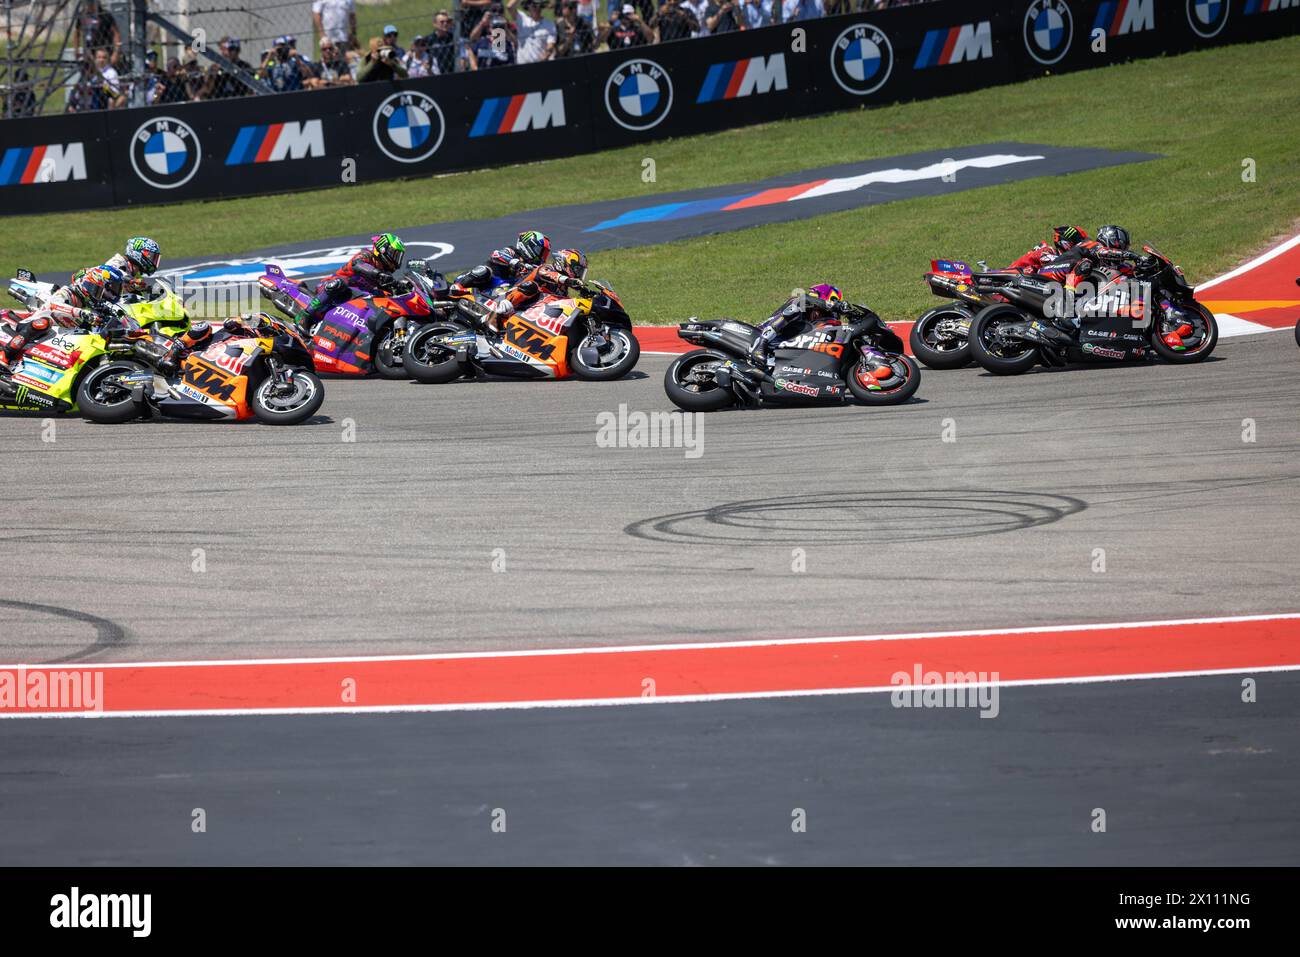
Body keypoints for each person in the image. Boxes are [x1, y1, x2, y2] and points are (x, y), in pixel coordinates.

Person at [1, 266, 125, 376]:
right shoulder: (66, 293)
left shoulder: (83, 309)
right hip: (30, 329)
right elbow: (55, 306)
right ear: (88, 286)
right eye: (99, 292)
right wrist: (81, 313)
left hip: (48, 340)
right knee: (44, 323)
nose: (101, 298)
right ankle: (5, 356)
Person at [292, 233, 408, 329]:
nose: (396, 260)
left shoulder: (385, 274)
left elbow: (389, 292)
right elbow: (357, 264)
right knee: (339, 284)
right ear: (383, 249)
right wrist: (378, 274)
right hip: (329, 288)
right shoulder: (367, 255)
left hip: (352, 299)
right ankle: (304, 316)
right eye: (394, 254)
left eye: (398, 257)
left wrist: (401, 287)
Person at [747, 283, 847, 366]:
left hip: (780, 348)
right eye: (825, 313)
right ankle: (760, 345)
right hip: (758, 333)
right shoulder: (801, 304)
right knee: (795, 308)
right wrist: (832, 305)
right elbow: (803, 298)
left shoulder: (812, 325)